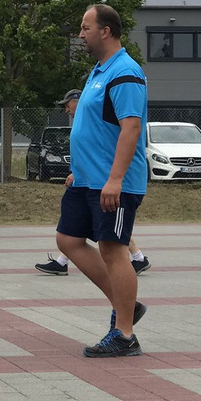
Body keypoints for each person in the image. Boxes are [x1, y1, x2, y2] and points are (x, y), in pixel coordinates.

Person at [55, 4, 148, 357]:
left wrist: (115, 180)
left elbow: (131, 128)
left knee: (112, 249)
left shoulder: (125, 72)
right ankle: (127, 304)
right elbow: (96, 128)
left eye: (86, 28)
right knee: (68, 239)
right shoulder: (98, 70)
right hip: (87, 179)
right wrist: (80, 169)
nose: (81, 34)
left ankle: (124, 334)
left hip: (113, 183)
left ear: (105, 31)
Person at [36, 89, 150, 276]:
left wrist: (111, 179)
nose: (66, 110)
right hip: (89, 182)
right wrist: (78, 173)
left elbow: (109, 144)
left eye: (67, 104)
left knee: (112, 240)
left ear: (79, 100)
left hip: (106, 183)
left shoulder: (98, 118)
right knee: (82, 233)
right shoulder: (83, 122)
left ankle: (134, 266)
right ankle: (136, 259)